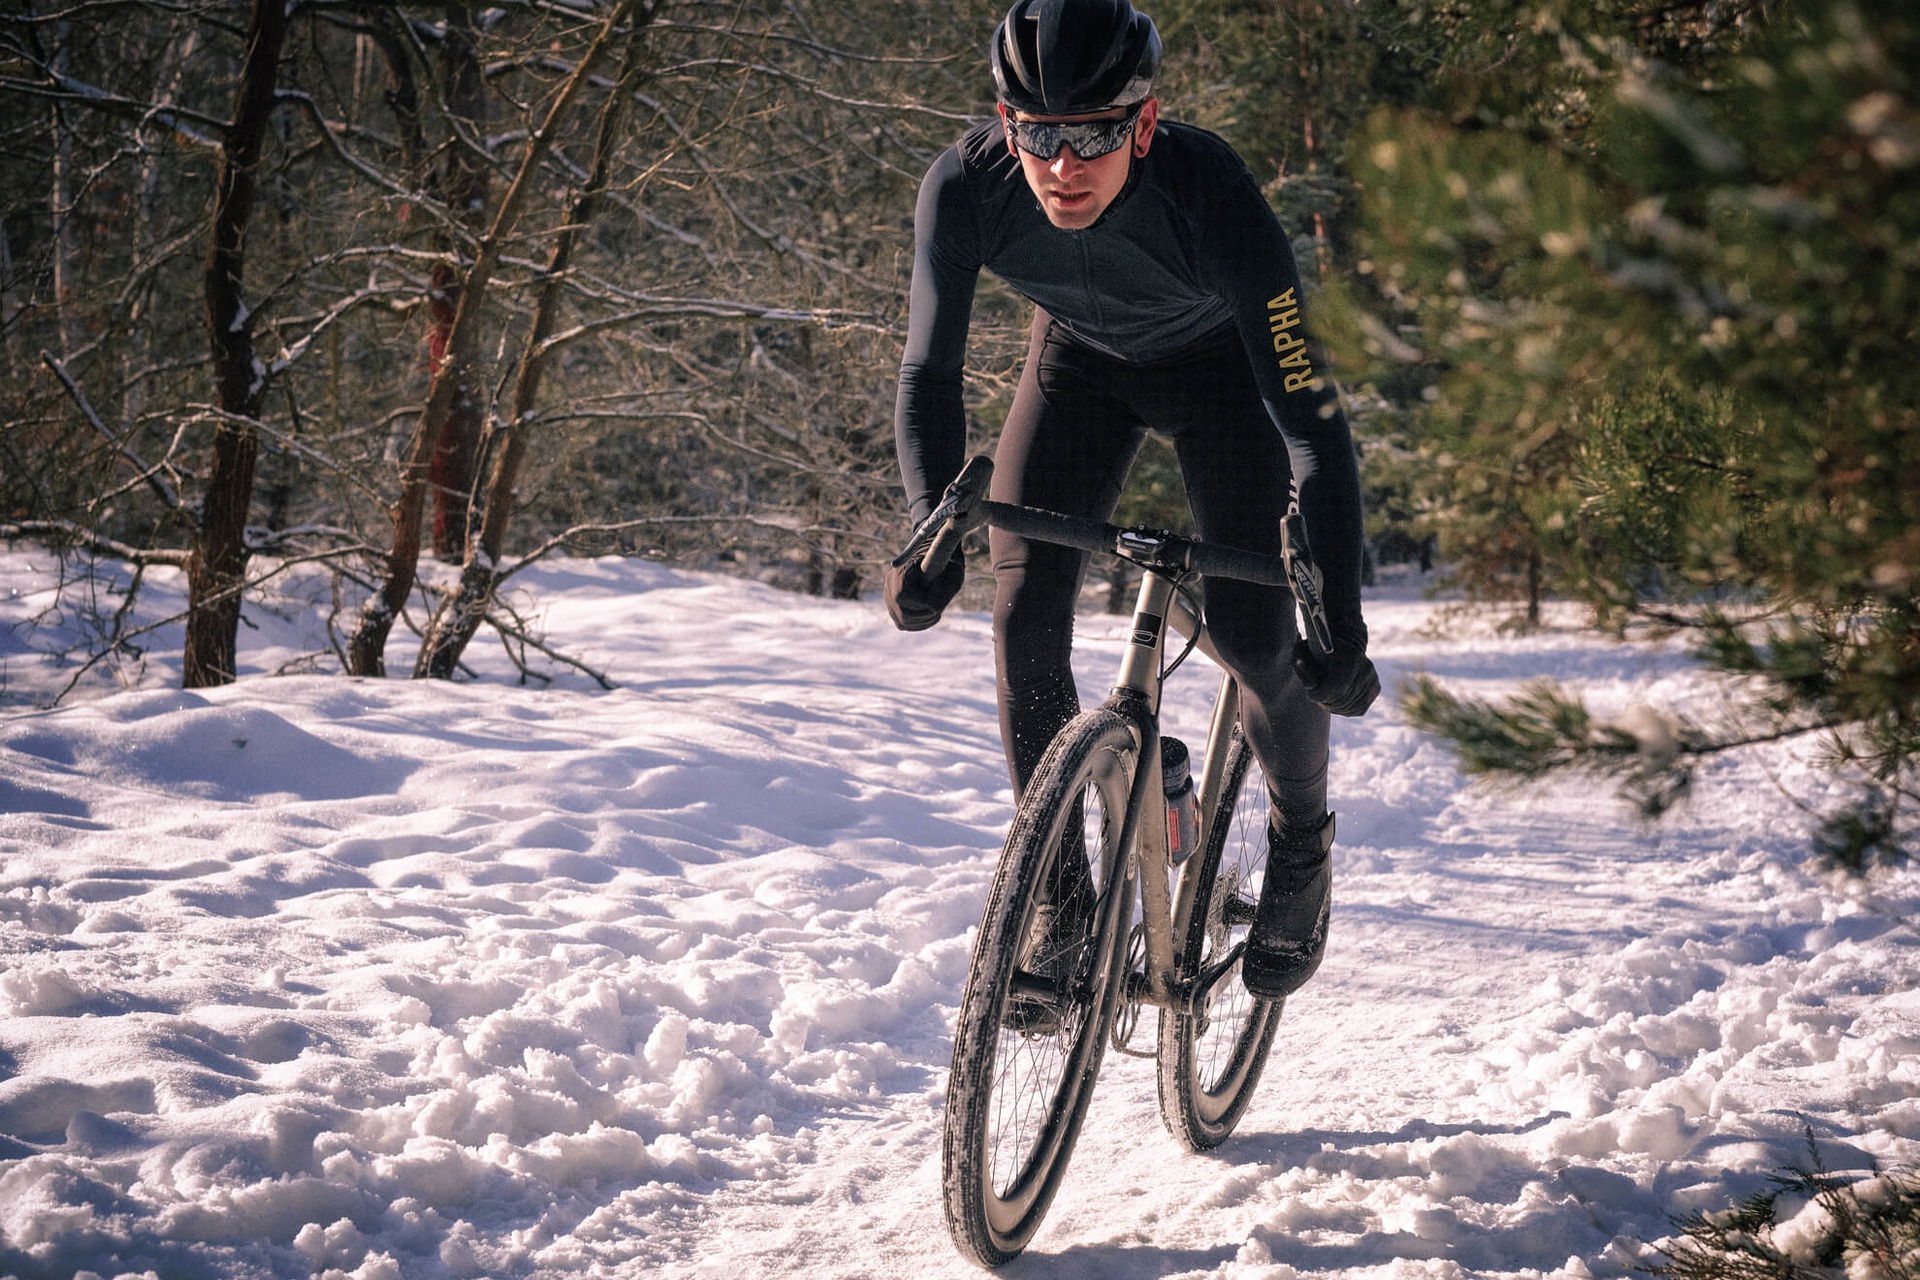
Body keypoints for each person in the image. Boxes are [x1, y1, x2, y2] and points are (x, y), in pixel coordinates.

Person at [884, 0, 1378, 1000]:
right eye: (1039, 135)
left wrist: (1342, 616)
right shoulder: (966, 188)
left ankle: (1300, 842)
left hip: (1225, 379)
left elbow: (1312, 421)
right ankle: (1060, 897)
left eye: (1097, 133)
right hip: (1079, 368)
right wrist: (929, 530)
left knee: (1253, 635)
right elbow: (928, 372)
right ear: (1005, 121)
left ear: (1144, 124)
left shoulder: (1213, 195)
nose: (1064, 165)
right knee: (1024, 617)